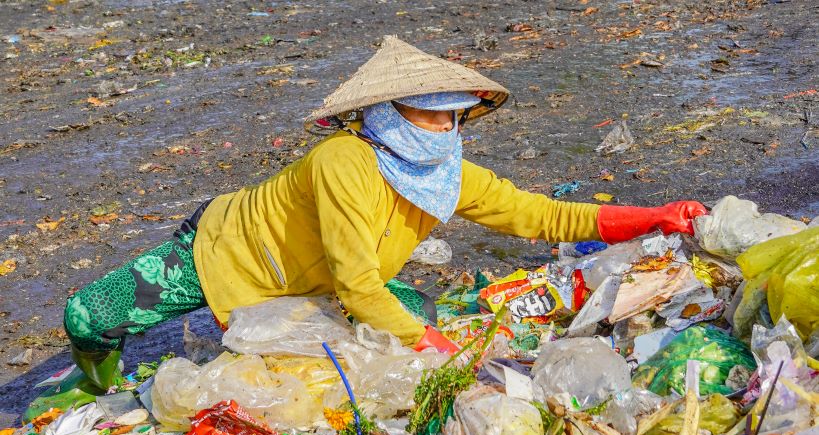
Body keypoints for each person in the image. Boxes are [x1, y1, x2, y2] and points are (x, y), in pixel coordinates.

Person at [61, 36, 706, 392]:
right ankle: (98, 384)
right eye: (430, 115)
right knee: (87, 316)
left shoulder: (448, 177)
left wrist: (654, 216)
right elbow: (359, 286)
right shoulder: (344, 160)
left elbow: (542, 217)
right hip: (224, 252)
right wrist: (448, 353)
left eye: (453, 116)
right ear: (386, 113)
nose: (445, 129)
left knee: (414, 317)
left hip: (309, 289)